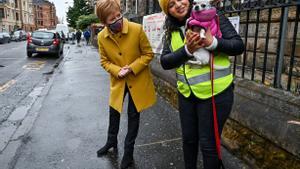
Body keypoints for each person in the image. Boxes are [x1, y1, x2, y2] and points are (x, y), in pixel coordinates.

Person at [158, 0, 244, 169]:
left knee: (208, 144)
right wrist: (187, 51)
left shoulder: (213, 16)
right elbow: (165, 62)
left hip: (216, 93)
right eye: (171, 4)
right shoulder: (170, 28)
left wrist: (213, 43)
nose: (178, 5)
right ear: (167, 11)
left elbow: (237, 45)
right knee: (189, 140)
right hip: (186, 94)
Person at [95, 0, 156, 169]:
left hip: (137, 80)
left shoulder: (136, 29)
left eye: (118, 16)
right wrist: (116, 70)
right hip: (119, 82)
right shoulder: (101, 37)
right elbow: (104, 61)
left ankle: (128, 153)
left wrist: (132, 67)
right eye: (111, 19)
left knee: (133, 117)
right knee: (113, 112)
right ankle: (111, 141)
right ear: (104, 22)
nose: (117, 21)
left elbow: (148, 54)